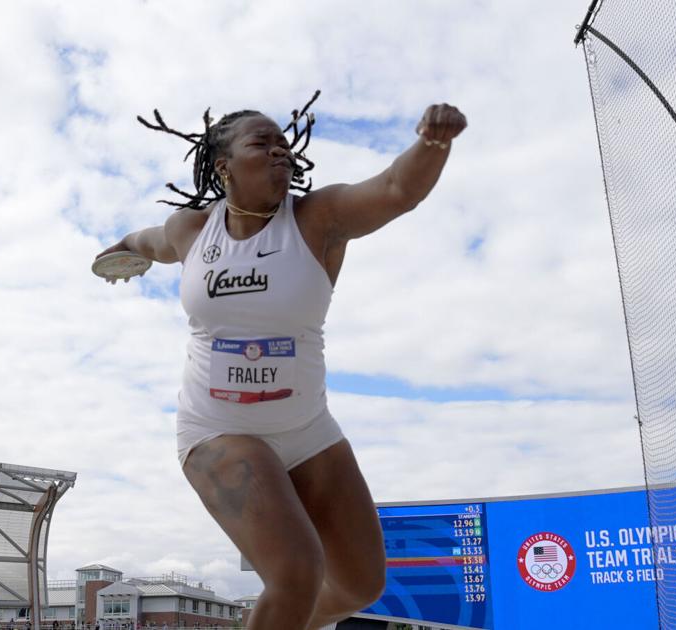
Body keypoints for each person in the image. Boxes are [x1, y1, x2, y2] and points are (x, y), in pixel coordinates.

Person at [96, 94, 467, 630]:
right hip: (217, 428)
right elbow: (146, 241)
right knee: (295, 569)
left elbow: (395, 190)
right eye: (262, 144)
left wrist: (433, 143)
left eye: (284, 146)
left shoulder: (319, 219)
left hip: (307, 429)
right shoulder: (192, 231)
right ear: (224, 166)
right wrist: (119, 251)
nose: (280, 154)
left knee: (362, 584)